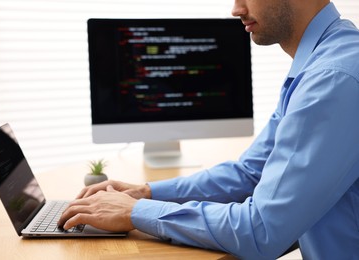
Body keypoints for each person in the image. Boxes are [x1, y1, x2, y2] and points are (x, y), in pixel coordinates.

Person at [58, 0, 359, 258]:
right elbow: (249, 173)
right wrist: (145, 193)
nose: (236, 9)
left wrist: (135, 212)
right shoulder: (323, 63)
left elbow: (260, 231)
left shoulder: (332, 80)